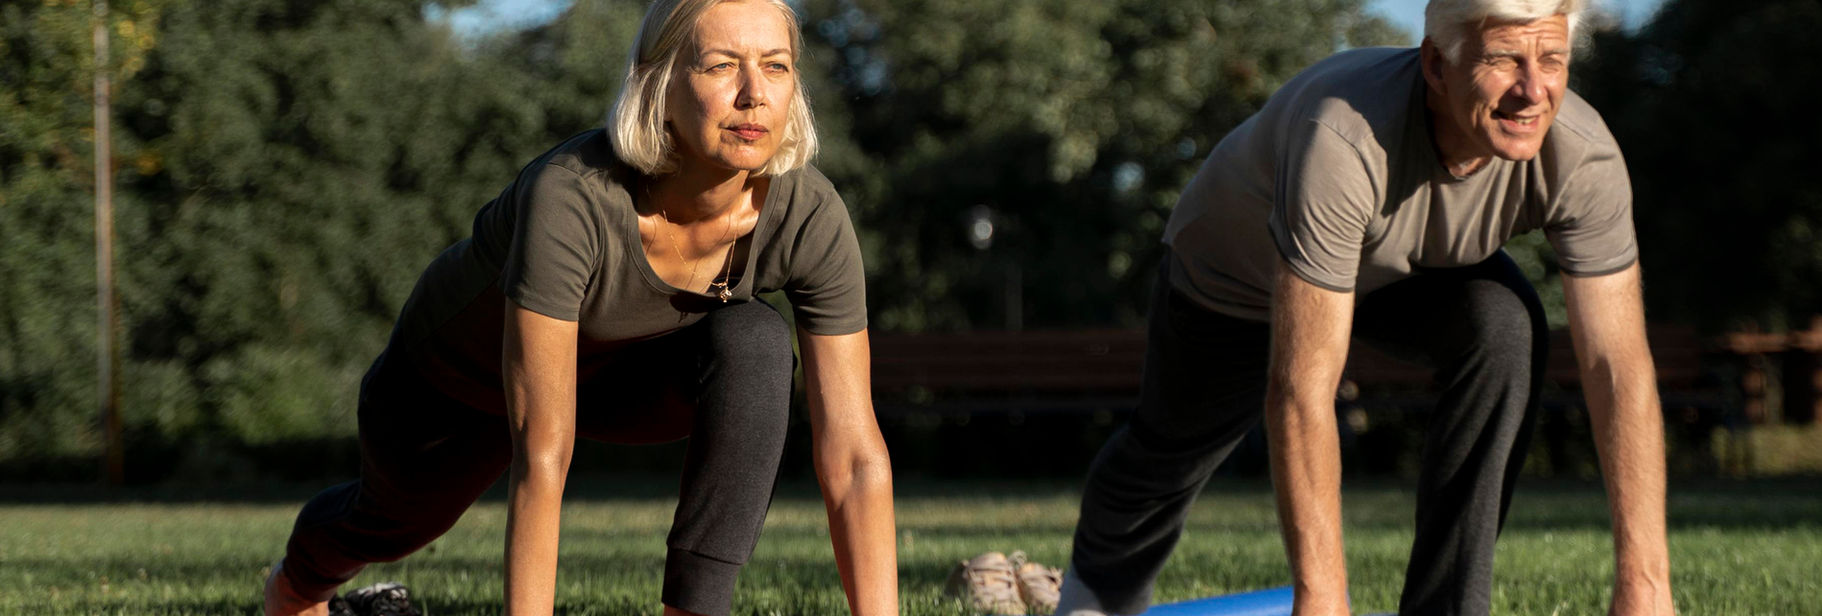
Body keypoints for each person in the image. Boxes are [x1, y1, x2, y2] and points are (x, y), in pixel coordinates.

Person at [261, 1, 898, 614]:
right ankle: (293, 588)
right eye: (720, 65)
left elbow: (853, 455)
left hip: (620, 382)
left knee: (754, 341)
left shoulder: (809, 213)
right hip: (456, 388)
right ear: (659, 86)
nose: (754, 92)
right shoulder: (572, 195)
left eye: (776, 65)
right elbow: (544, 450)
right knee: (392, 524)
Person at [1054, 1, 1673, 615]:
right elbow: (1300, 389)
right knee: (1172, 449)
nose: (1532, 90)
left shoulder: (1582, 154)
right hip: (1235, 276)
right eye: (1504, 60)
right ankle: (1095, 592)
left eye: (1553, 59)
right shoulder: (1345, 135)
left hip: (1402, 269)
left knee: (1504, 326)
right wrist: (1322, 601)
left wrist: (1646, 588)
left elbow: (1618, 369)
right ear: (1436, 64)